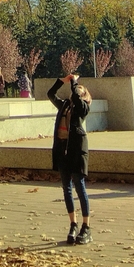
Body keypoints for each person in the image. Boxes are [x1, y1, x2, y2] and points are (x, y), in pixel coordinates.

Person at [48, 73, 92, 245]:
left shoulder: (83, 107)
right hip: (62, 151)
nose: (75, 91)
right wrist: (62, 81)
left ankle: (86, 227)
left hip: (77, 151)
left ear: (83, 96)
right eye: (75, 89)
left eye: (79, 90)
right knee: (66, 188)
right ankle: (73, 224)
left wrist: (75, 82)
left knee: (79, 187)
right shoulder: (65, 105)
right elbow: (51, 94)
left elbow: (75, 95)